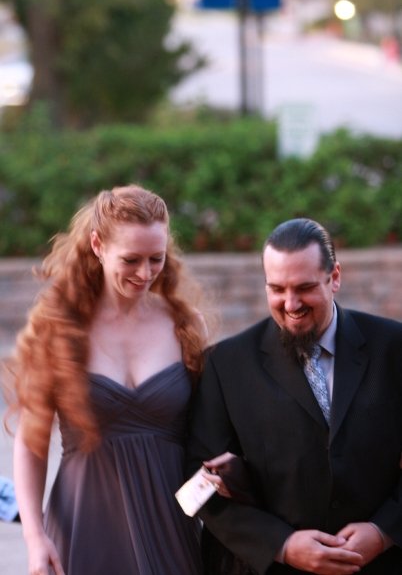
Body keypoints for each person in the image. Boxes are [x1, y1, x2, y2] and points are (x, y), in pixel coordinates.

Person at [3, 183, 225, 575]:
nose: (145, 273)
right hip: (82, 525)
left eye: (156, 258)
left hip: (170, 526)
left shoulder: (187, 326)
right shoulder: (59, 330)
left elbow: (211, 432)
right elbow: (31, 445)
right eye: (131, 259)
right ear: (97, 245)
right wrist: (35, 538)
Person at [188, 217, 402, 575]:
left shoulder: (394, 348)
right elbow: (198, 482)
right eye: (277, 289)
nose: (290, 304)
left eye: (304, 288)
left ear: (335, 277)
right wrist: (281, 545)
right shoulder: (226, 365)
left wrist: (384, 532)